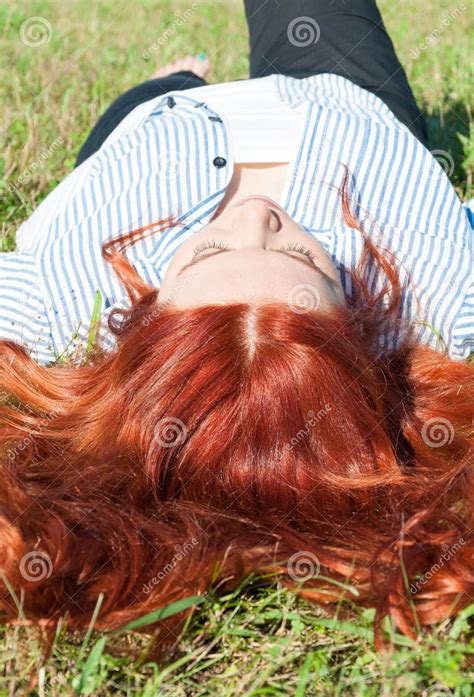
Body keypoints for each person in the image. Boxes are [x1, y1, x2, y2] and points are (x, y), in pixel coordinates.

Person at [0, 1, 472, 649]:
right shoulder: (438, 307)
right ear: (361, 333)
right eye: (305, 257)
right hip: (339, 95)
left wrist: (163, 99)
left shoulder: (60, 305)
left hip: (158, 128)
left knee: (156, 94)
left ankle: (171, 81)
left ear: (143, 327)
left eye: (207, 252)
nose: (254, 215)